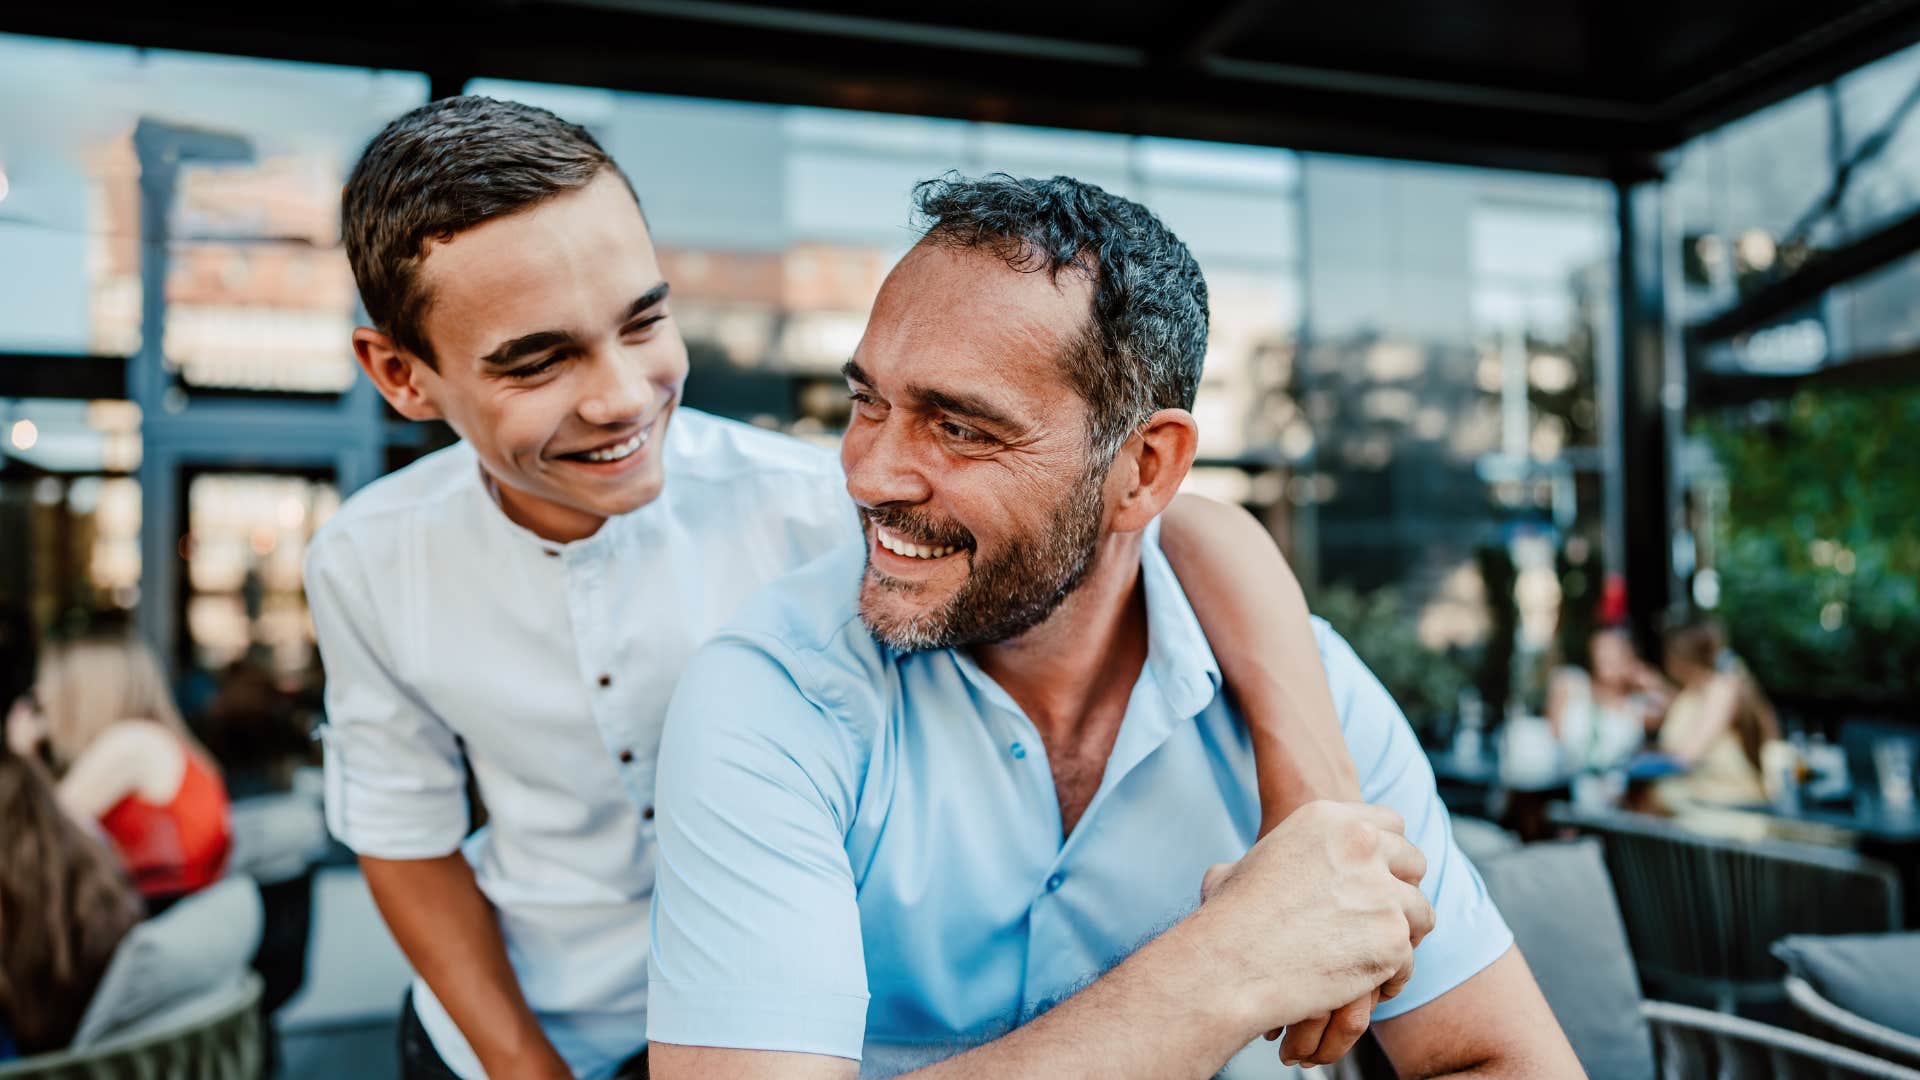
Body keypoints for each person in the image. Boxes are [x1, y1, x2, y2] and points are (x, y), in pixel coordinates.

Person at [316, 96, 1361, 1080]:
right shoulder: (367, 560)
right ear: (401, 375)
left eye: (642, 324)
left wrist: (1310, 798)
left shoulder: (816, 498)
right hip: (515, 1036)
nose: (624, 395)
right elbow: (405, 839)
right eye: (538, 362)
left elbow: (1163, 520)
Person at [645, 174, 1583, 1078]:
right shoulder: (775, 693)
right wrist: (1233, 959)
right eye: (867, 403)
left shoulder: (1308, 690)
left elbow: (1495, 1057)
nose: (869, 473)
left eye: (961, 427)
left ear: (1143, 470)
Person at [0, 608, 144, 1060]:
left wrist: (20, 755)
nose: (44, 703)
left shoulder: (128, 743)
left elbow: (59, 815)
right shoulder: (136, 739)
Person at [11, 630, 231, 906]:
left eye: (49, 685)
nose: (39, 696)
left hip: (159, 915)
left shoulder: (132, 743)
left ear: (83, 694)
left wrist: (21, 755)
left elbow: (40, 833)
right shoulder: (152, 739)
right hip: (176, 909)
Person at [1655, 616, 1777, 807]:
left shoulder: (1722, 689)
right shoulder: (1691, 693)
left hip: (1732, 807)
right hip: (1700, 803)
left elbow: (1689, 755)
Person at [1547, 626, 1668, 770]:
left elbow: (1670, 710)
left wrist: (1647, 679)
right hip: (1562, 783)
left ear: (1629, 658)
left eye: (1614, 652)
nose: (1606, 657)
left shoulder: (1636, 706)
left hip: (1618, 787)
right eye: (1601, 649)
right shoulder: (1571, 683)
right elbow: (1552, 736)